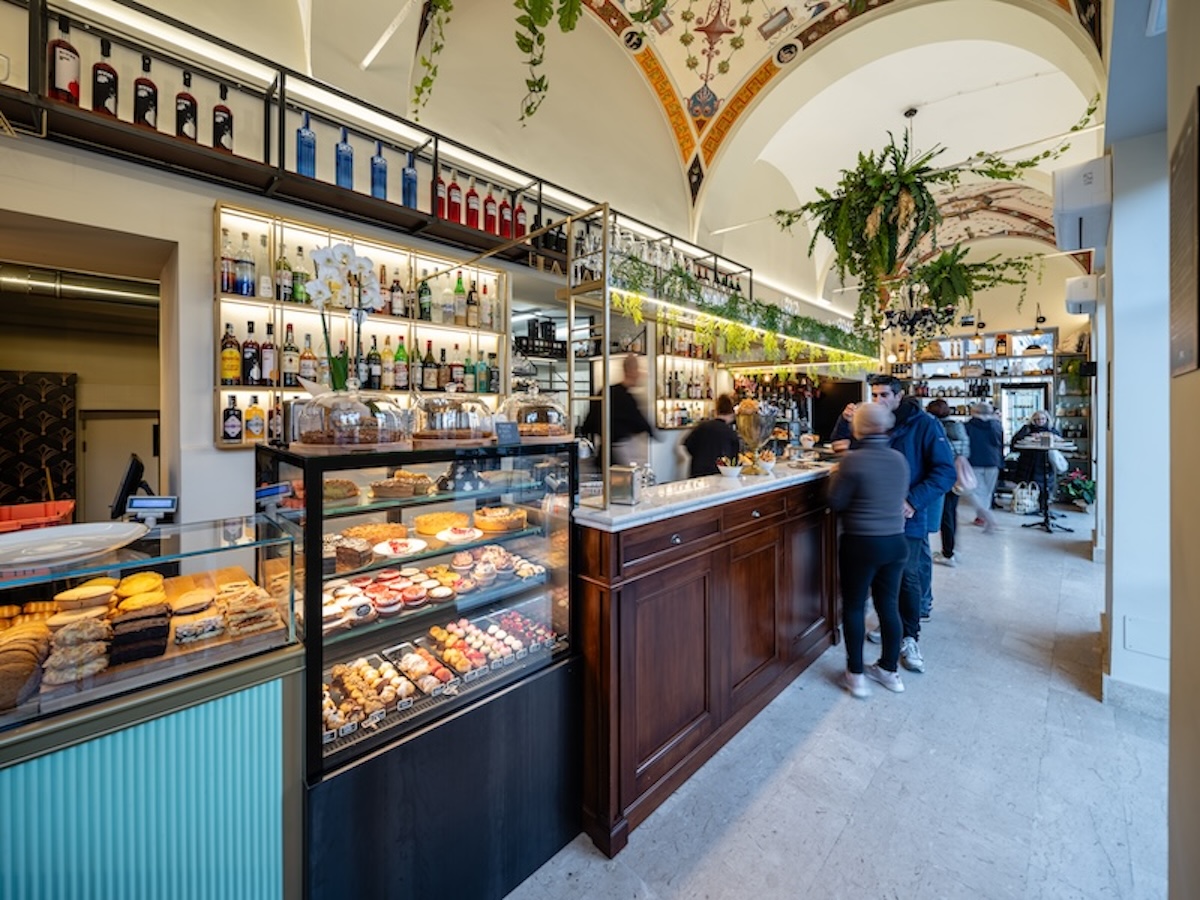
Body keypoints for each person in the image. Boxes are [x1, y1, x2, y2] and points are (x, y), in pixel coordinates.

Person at [841, 374, 955, 673]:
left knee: (908, 577)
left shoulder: (925, 425)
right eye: (874, 395)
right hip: (876, 520)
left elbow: (945, 472)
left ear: (898, 396)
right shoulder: (877, 424)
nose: (877, 400)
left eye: (883, 395)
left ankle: (910, 637)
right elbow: (854, 449)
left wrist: (913, 501)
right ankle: (893, 630)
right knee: (886, 583)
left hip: (908, 516)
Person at [828, 403, 910, 697]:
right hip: (895, 542)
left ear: (857, 428)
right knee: (888, 606)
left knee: (854, 606)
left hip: (861, 542)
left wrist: (839, 469)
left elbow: (835, 502)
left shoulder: (853, 461)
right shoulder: (899, 459)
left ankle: (856, 674)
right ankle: (889, 671)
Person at [581, 354, 655, 467]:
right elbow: (641, 424)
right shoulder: (626, 398)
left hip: (603, 453)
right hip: (619, 455)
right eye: (638, 369)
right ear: (631, 371)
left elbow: (588, 424)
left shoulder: (605, 392)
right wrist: (652, 433)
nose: (640, 374)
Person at [926, 399, 968, 567]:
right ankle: (950, 549)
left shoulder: (934, 428)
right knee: (951, 513)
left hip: (941, 475)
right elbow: (966, 450)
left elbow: (936, 456)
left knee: (944, 515)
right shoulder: (958, 426)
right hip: (956, 475)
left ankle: (947, 553)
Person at [1012, 410, 1061, 516]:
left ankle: (1044, 507)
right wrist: (1029, 438)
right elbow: (1015, 443)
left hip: (1045, 462)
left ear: (1047, 419)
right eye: (1037, 419)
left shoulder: (1051, 430)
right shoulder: (1026, 429)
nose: (1040, 421)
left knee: (1045, 485)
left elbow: (1059, 441)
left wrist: (1052, 437)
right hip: (1028, 462)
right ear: (1033, 420)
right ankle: (1028, 505)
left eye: (1042, 419)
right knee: (1028, 484)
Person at [964, 401, 1004, 531]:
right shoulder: (997, 425)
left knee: (974, 491)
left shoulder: (968, 426)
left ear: (974, 412)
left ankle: (987, 516)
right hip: (993, 461)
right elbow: (999, 442)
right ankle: (982, 517)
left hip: (974, 460)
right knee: (987, 492)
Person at [683, 393, 740, 477]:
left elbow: (688, 446)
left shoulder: (702, 426)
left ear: (716, 410)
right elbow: (733, 460)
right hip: (719, 476)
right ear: (731, 413)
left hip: (697, 474)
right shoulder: (730, 433)